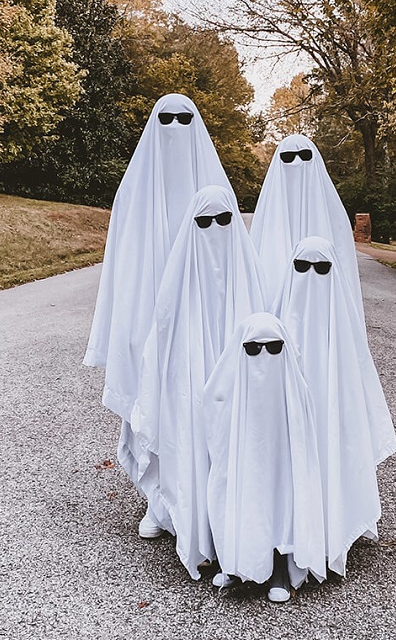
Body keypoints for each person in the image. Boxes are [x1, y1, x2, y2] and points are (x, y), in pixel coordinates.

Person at [82, 94, 235, 538]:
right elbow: (120, 268)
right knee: (151, 403)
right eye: (165, 118)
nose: (174, 126)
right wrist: (124, 329)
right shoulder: (133, 191)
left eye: (183, 119)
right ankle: (157, 499)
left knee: (197, 405)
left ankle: (204, 504)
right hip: (148, 315)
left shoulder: (213, 188)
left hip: (203, 321)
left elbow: (230, 262)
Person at [130, 185, 267, 578]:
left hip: (238, 376)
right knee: (184, 433)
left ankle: (240, 524)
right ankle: (166, 506)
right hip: (187, 374)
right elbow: (162, 331)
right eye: (204, 222)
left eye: (224, 220)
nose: (214, 228)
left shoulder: (249, 271)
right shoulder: (178, 276)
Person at [274, 236, 396, 576]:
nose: (311, 276)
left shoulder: (344, 334)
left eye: (321, 269)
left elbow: (356, 395)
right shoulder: (277, 324)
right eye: (302, 267)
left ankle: (331, 526)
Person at [203, 312, 326, 602]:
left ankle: (279, 565)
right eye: (253, 349)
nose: (264, 355)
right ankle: (233, 560)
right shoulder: (231, 388)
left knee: (280, 500)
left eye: (273, 348)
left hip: (279, 457)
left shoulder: (294, 393)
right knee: (235, 491)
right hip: (243, 456)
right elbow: (213, 402)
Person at [250, 134, 361, 307]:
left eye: (304, 156)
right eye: (288, 157)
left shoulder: (334, 213)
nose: (296, 163)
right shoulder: (267, 213)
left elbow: (344, 261)